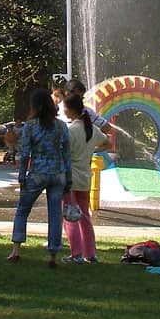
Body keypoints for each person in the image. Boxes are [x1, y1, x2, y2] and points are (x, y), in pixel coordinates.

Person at [7, 88, 72, 268]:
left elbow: (26, 153)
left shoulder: (30, 126)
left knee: (22, 210)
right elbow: (66, 153)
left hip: (37, 173)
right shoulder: (61, 126)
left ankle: (16, 250)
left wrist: (21, 176)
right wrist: (69, 178)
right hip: (58, 173)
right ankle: (52, 255)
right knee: (55, 214)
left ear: (34, 106)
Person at [62, 93, 109, 264]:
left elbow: (63, 154)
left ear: (70, 110)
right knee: (85, 216)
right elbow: (107, 143)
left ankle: (76, 254)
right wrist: (92, 151)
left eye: (65, 107)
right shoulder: (91, 129)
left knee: (69, 217)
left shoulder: (70, 130)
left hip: (70, 178)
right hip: (85, 177)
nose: (63, 110)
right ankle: (90, 253)